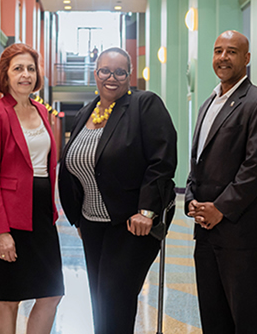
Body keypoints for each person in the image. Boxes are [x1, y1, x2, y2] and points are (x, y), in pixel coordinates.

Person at [59, 47, 177, 334]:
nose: (111, 78)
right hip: (93, 224)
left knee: (115, 300)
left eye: (119, 71)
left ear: (129, 74)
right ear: (95, 73)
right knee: (100, 299)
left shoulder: (144, 104)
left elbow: (161, 161)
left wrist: (147, 211)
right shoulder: (88, 110)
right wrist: (78, 215)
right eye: (104, 71)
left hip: (130, 223)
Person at [185, 30, 257, 334]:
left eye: (232, 51)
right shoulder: (207, 103)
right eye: (218, 51)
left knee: (247, 318)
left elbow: (256, 168)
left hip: (239, 232)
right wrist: (190, 197)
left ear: (247, 58)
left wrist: (220, 209)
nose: (223, 57)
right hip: (204, 231)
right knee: (213, 317)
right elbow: (197, 161)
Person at [0, 43, 64, 334]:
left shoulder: (41, 110)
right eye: (18, 69)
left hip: (41, 214)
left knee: (52, 293)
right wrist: (0, 231)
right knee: (10, 296)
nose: (25, 74)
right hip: (12, 217)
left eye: (30, 68)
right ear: (5, 74)